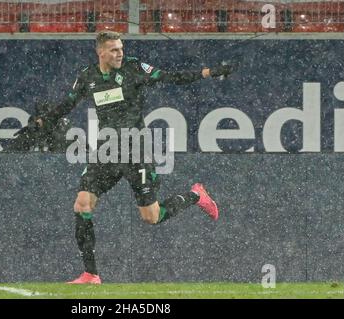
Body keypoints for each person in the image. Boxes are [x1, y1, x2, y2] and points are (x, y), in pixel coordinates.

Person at [35, 31, 233, 284]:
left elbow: (171, 77)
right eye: (114, 50)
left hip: (135, 150)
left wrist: (207, 72)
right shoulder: (88, 76)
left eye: (121, 48)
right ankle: (91, 274)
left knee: (151, 217)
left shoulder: (134, 68)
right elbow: (67, 104)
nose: (120, 53)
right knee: (82, 204)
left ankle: (196, 195)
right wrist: (44, 121)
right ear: (101, 52)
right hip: (106, 151)